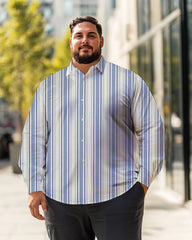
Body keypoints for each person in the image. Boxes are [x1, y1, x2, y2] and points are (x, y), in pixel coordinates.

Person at [19, 16, 164, 240]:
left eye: (91, 35)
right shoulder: (49, 87)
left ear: (101, 41)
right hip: (60, 201)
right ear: (71, 42)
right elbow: (33, 139)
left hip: (119, 197)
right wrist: (34, 187)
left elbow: (151, 130)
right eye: (79, 36)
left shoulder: (129, 81)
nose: (84, 40)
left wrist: (141, 185)